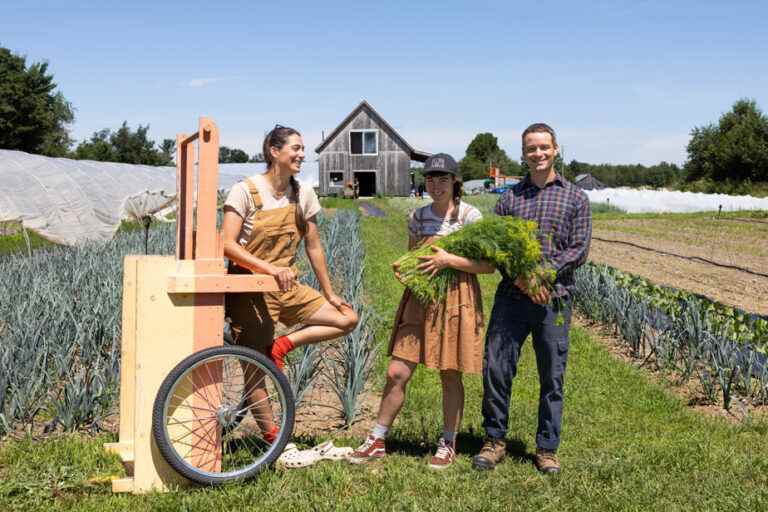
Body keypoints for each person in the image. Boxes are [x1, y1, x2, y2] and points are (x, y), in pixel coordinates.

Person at [348, 153, 495, 469]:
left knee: (450, 373)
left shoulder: (470, 217)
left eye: (443, 178)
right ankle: (376, 438)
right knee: (396, 371)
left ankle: (448, 443)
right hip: (420, 297)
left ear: (455, 181)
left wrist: (449, 261)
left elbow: (487, 266)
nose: (436, 185)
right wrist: (405, 269)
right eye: (430, 178)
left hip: (456, 297)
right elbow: (414, 255)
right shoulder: (417, 217)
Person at [222, 124, 359, 442]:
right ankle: (275, 440)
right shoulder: (246, 191)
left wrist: (330, 292)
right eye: (296, 148)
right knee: (255, 368)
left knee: (346, 318)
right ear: (274, 151)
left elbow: (313, 245)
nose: (302, 154)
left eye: (302, 148)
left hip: (286, 285)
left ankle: (282, 347)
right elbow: (227, 245)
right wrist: (269, 269)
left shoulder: (303, 193)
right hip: (250, 288)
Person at [471, 123, 592, 474]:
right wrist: (523, 278)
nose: (537, 154)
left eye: (543, 147)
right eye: (530, 149)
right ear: (523, 154)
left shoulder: (575, 198)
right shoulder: (509, 199)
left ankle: (547, 447)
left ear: (555, 150)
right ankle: (494, 440)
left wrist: (542, 275)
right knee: (496, 367)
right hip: (512, 296)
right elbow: (497, 248)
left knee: (552, 374)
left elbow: (578, 249)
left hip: (554, 299)